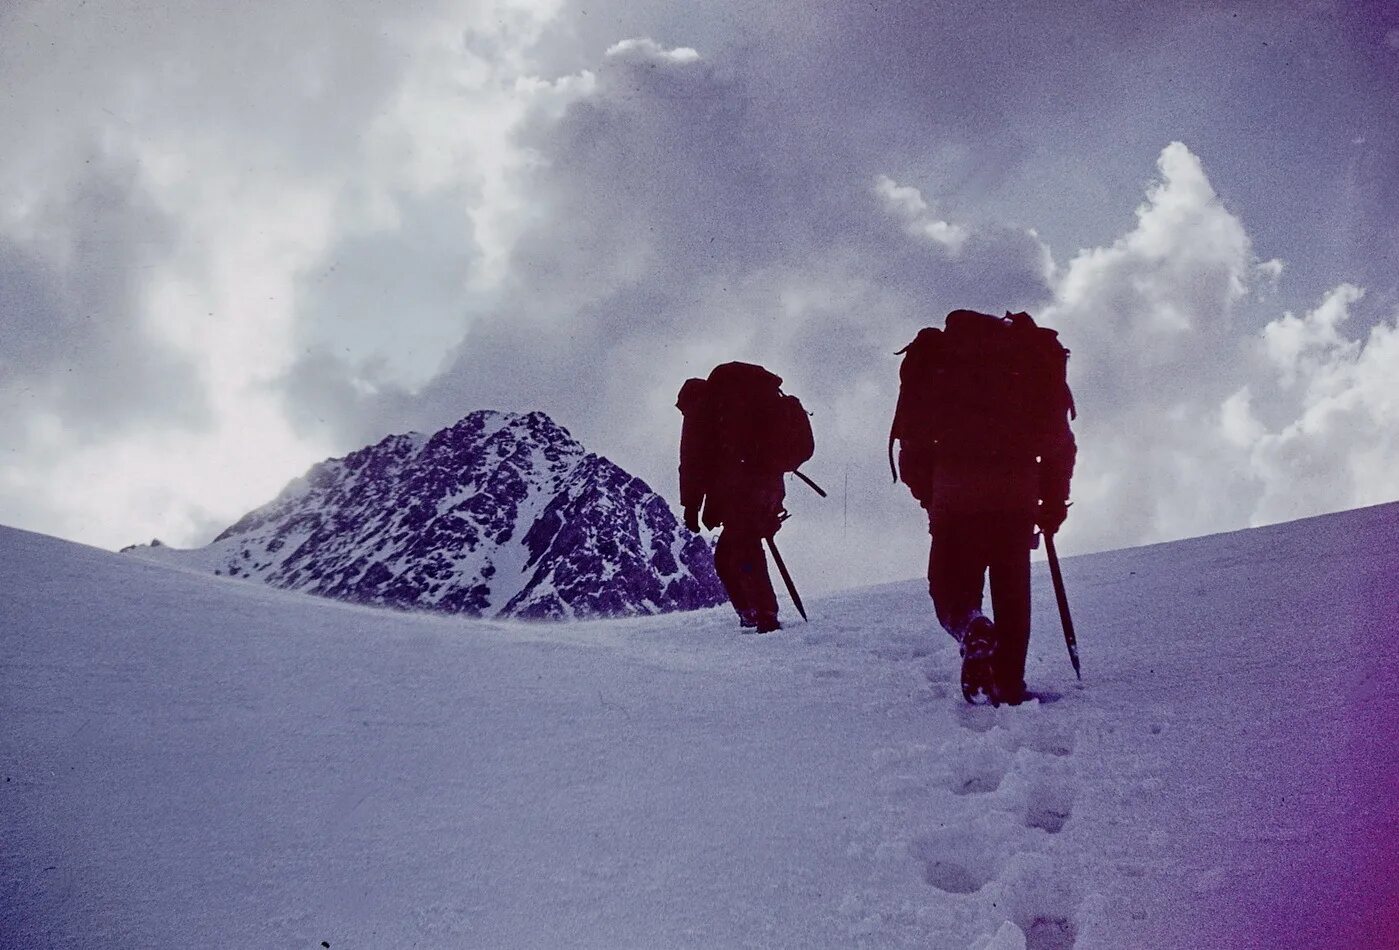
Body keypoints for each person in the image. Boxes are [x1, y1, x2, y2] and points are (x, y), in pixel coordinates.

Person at [890, 310, 1076, 705]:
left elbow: (913, 444)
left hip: (954, 493)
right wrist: (1053, 503)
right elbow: (1059, 444)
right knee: (1012, 593)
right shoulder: (1025, 362)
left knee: (948, 589)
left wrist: (930, 496)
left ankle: (971, 627)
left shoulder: (939, 363)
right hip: (1016, 495)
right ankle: (1008, 684)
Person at [676, 362, 813, 634]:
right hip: (769, 487)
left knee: (741, 550)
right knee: (734, 552)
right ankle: (755, 612)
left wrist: (691, 506)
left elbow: (692, 461)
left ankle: (763, 614)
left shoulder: (703, 410)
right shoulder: (741, 406)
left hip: (739, 491)